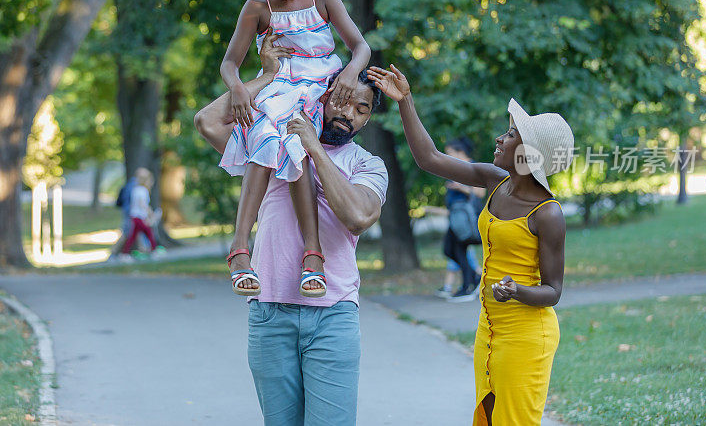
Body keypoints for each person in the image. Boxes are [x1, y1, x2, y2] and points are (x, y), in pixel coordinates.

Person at [367, 64, 574, 426]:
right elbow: (428, 158)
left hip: (527, 334)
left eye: (511, 135)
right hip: (489, 327)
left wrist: (517, 291)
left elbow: (553, 290)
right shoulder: (495, 180)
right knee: (489, 417)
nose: (500, 138)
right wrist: (405, 100)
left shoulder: (548, 214)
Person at [195, 53, 387, 425]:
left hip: (333, 316)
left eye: (361, 109)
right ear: (322, 92)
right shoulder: (272, 146)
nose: (348, 114)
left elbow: (359, 216)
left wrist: (314, 147)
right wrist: (271, 77)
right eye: (341, 100)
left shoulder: (366, 164)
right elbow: (209, 121)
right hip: (270, 313)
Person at [216, 0, 371, 298]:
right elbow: (230, 63)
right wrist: (236, 88)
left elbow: (361, 48)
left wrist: (351, 71)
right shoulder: (257, 7)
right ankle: (240, 249)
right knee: (267, 136)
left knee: (298, 143)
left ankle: (313, 256)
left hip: (321, 86)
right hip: (281, 85)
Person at [442, 138, 484, 302]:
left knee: (457, 249)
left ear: (460, 151)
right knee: (449, 249)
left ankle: (467, 286)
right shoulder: (455, 169)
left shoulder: (473, 167)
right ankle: (473, 278)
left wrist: (461, 187)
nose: (448, 156)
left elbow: (480, 193)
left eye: (450, 153)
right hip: (456, 217)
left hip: (466, 218)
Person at [120, 169, 164, 260]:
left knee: (133, 235)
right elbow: (142, 204)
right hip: (139, 217)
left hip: (135, 216)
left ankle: (125, 253)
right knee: (148, 233)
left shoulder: (135, 190)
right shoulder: (143, 190)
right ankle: (154, 250)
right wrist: (150, 213)